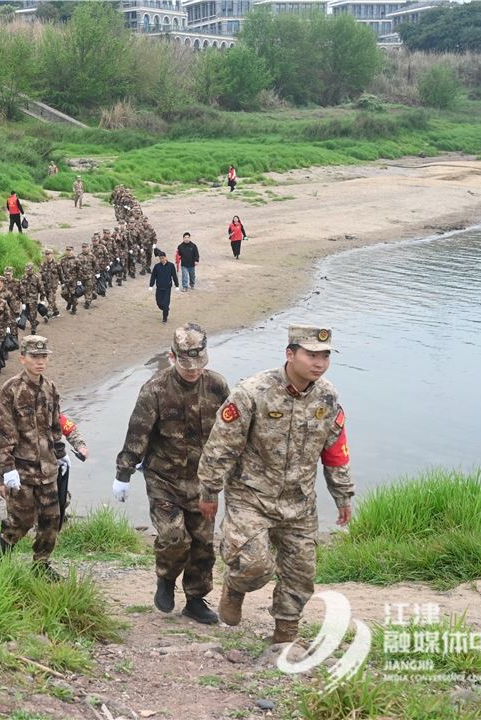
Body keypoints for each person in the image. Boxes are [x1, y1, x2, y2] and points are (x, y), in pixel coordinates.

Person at [197, 325, 354, 645]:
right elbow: (221, 444)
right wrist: (209, 489)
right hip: (251, 496)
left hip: (299, 500)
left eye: (325, 356)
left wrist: (342, 495)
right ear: (290, 354)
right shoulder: (253, 392)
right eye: (311, 355)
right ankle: (235, 587)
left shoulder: (328, 396)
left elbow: (335, 448)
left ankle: (285, 635)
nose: (319, 363)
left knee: (301, 574)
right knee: (255, 566)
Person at [113, 324, 229, 624]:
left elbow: (231, 434)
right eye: (186, 365)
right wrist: (123, 473)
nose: (193, 371)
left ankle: (195, 599)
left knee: (203, 545)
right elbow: (137, 432)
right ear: (172, 357)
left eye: (199, 365)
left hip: (203, 482)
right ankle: (165, 579)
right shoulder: (155, 389)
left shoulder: (217, 386)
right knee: (174, 537)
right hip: (163, 477)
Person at [0, 335, 67, 580]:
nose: (40, 361)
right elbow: (3, 433)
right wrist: (6, 470)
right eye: (35, 356)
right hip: (21, 469)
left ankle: (41, 564)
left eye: (44, 356)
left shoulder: (50, 388)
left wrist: (61, 453)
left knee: (52, 519)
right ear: (22, 358)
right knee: (20, 521)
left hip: (47, 469)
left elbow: (55, 425)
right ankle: (1, 558)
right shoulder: (11, 390)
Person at [149, 249, 179, 324]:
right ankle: (165, 309)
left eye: (163, 258)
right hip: (159, 288)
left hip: (167, 288)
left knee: (165, 304)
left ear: (165, 257)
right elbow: (153, 276)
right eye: (160, 258)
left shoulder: (171, 266)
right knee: (159, 303)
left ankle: (164, 318)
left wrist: (177, 285)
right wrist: (151, 285)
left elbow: (174, 276)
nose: (162, 259)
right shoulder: (157, 266)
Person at [40, 248, 61, 318]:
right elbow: (41, 274)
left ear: (52, 254)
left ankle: (48, 313)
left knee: (51, 299)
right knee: (50, 300)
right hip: (46, 285)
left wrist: (62, 282)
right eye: (46, 254)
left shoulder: (57, 264)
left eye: (49, 254)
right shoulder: (43, 264)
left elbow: (61, 273)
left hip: (53, 285)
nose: (47, 255)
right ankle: (56, 312)